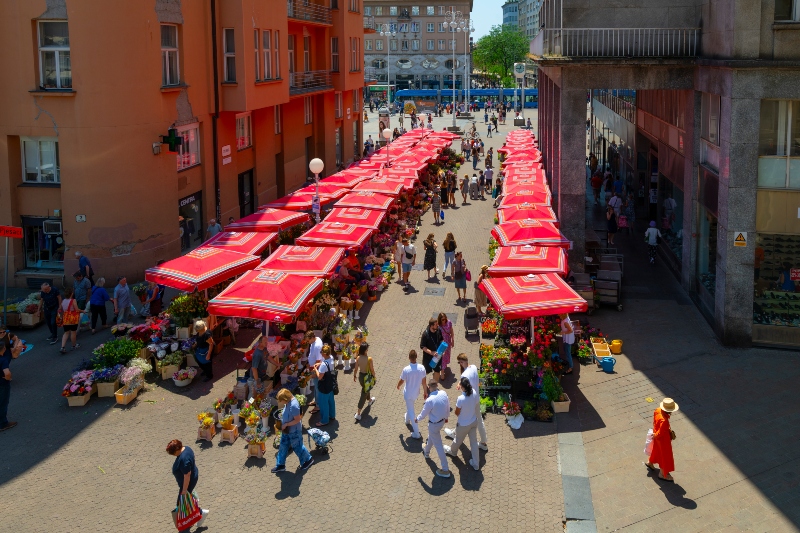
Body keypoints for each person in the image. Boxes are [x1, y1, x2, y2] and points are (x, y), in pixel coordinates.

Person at [444, 353, 488, 450]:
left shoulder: (464, 374)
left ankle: (456, 434)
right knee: (479, 420)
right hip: (476, 398)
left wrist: (460, 383)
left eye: (460, 362)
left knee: (462, 418)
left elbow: (465, 380)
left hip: (468, 400)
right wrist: (460, 382)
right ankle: (483, 441)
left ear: (462, 362)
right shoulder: (473, 367)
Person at [166, 439, 208, 530]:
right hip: (191, 479)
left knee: (182, 503)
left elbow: (187, 476)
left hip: (187, 483)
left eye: (173, 453)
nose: (173, 455)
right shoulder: (187, 448)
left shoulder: (183, 459)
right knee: (186, 502)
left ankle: (198, 514)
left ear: (177, 450)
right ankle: (197, 515)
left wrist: (184, 490)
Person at [271, 388, 314, 473]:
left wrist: (286, 424)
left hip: (294, 431)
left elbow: (297, 420)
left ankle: (308, 460)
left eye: (281, 400)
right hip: (287, 431)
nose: (280, 402)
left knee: (298, 446)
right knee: (283, 447)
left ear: (285, 399)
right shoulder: (288, 402)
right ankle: (280, 465)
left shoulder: (294, 405)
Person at [442, 376, 480, 470]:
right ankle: (476, 464)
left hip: (463, 425)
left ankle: (453, 451)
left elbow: (457, 413)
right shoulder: (474, 393)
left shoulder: (461, 398)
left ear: (463, 387)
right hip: (473, 422)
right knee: (474, 443)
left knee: (458, 440)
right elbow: (475, 404)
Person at [415, 379, 451, 478]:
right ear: (437, 385)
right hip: (442, 421)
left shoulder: (430, 400)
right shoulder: (443, 393)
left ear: (429, 387)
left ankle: (445, 469)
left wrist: (417, 419)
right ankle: (426, 452)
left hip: (434, 424)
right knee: (432, 436)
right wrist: (447, 417)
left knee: (439, 446)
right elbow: (448, 405)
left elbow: (424, 413)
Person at [645, 398, 679, 482]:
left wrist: (654, 435)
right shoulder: (664, 421)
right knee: (665, 456)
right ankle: (663, 474)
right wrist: (656, 435)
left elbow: (655, 423)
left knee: (656, 450)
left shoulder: (658, 410)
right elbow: (660, 433)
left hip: (656, 435)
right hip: (663, 440)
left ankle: (650, 462)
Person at [397, 350, 428, 440]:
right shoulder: (421, 368)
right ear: (416, 357)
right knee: (409, 407)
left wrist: (398, 386)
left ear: (409, 358)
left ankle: (417, 432)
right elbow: (424, 383)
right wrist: (425, 392)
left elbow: (401, 380)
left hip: (408, 394)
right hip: (415, 393)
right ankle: (407, 420)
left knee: (411, 411)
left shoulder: (406, 369)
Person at [0, 329, 23, 432]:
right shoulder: (3, 360)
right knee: (3, 402)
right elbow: (7, 373)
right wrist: (8, 378)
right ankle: (3, 423)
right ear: (3, 349)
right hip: (2, 383)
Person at [313, 344, 336, 426]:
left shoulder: (323, 365)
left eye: (321, 352)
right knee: (331, 401)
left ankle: (324, 420)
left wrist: (316, 369)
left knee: (323, 404)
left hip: (324, 386)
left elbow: (319, 377)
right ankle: (332, 415)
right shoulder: (332, 358)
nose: (320, 353)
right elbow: (327, 364)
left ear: (324, 354)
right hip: (331, 384)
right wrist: (320, 364)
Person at [353, 343, 376, 422]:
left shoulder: (358, 358)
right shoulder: (369, 359)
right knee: (363, 394)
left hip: (361, 377)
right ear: (365, 350)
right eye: (367, 349)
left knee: (366, 388)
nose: (368, 350)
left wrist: (354, 376)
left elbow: (356, 369)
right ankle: (358, 413)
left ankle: (369, 400)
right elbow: (372, 369)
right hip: (367, 377)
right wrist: (374, 376)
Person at [58, 288, 81, 354]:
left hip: (66, 319)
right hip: (73, 318)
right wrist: (82, 311)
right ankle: (74, 345)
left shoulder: (63, 301)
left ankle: (62, 347)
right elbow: (76, 309)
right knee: (73, 332)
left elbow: (60, 309)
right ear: (72, 294)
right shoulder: (73, 300)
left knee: (66, 332)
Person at [437, 312, 453, 380]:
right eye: (442, 319)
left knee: (446, 355)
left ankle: (444, 366)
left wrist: (453, 340)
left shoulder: (449, 322)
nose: (444, 321)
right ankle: (442, 373)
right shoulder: (438, 326)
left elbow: (452, 331)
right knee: (442, 357)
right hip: (441, 343)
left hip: (448, 342)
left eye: (444, 319)